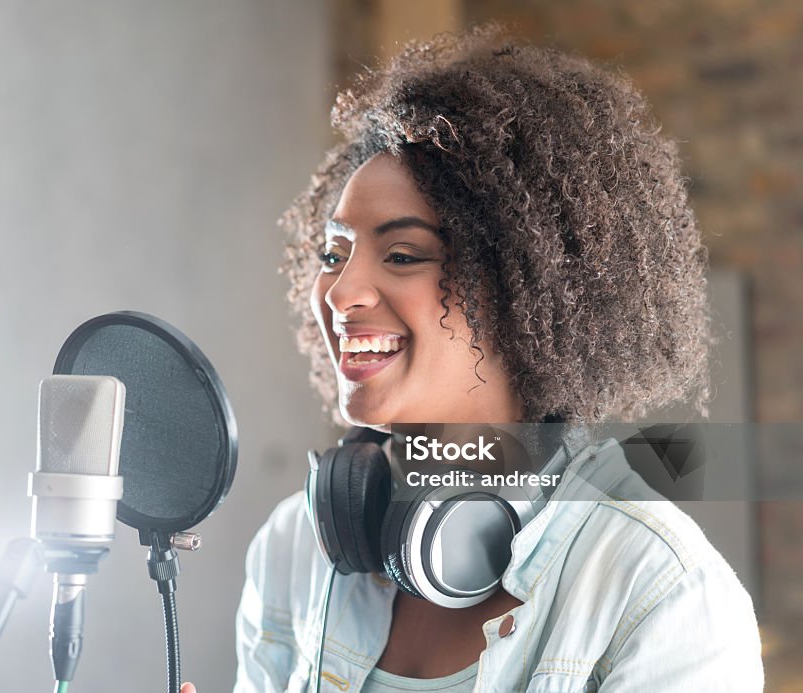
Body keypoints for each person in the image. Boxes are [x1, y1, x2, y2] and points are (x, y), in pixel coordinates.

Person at [187, 25, 763, 692]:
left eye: (402, 255)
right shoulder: (297, 549)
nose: (341, 291)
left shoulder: (658, 588)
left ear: (527, 287)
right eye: (333, 254)